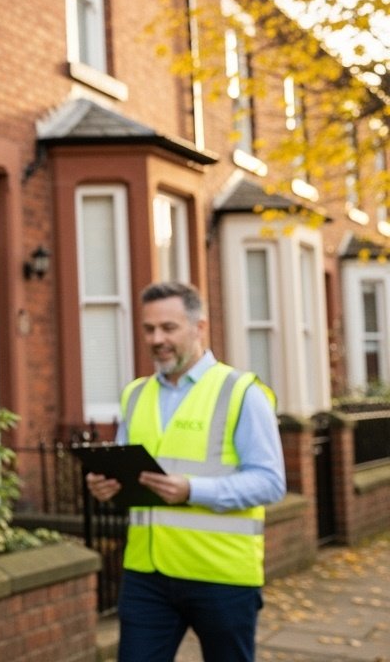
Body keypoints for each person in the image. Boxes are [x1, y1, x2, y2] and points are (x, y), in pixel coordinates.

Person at [85, 281, 286, 662]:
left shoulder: (241, 391)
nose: (156, 338)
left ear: (199, 327)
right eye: (149, 329)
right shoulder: (135, 394)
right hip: (147, 574)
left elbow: (271, 482)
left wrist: (193, 490)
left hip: (221, 576)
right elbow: (134, 475)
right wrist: (107, 485)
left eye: (168, 328)